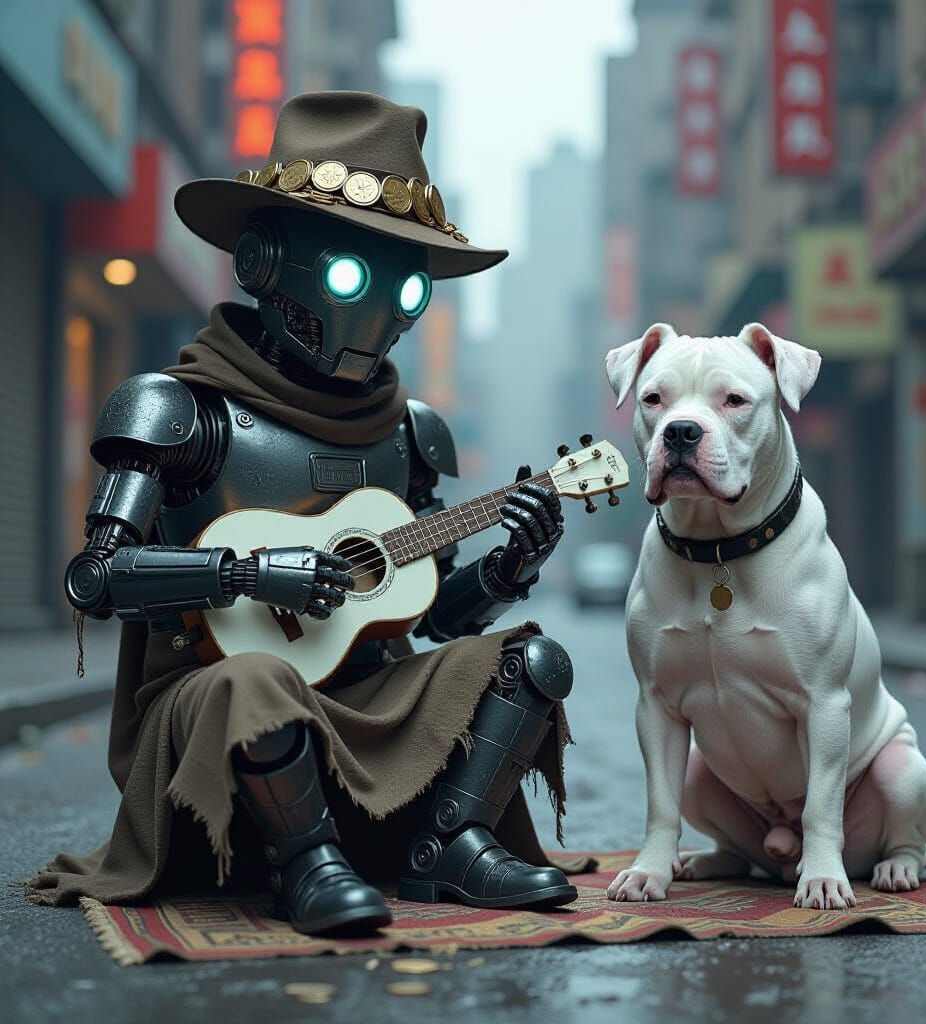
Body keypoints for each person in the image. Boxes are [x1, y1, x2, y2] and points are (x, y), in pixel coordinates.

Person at [29, 92, 580, 936]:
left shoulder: (409, 433)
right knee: (258, 680)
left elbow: (423, 610)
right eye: (352, 274)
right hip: (216, 707)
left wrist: (507, 570)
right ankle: (304, 862)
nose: (380, 311)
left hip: (364, 693)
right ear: (265, 261)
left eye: (405, 285)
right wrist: (245, 575)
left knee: (530, 661)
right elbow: (95, 577)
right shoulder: (181, 409)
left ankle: (451, 843)